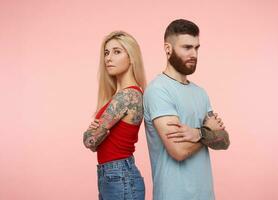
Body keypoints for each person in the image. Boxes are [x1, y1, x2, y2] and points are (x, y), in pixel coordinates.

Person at [143, 19, 230, 200]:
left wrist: (198, 133)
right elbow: (179, 151)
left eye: (197, 48)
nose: (194, 54)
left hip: (205, 194)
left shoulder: (201, 93)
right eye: (187, 47)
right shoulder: (158, 90)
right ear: (168, 49)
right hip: (174, 194)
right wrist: (206, 133)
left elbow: (223, 141)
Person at [83, 31, 146, 200]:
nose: (108, 58)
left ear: (131, 57)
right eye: (106, 52)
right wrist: (95, 137)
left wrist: (92, 133)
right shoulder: (120, 96)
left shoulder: (127, 96)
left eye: (117, 52)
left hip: (119, 175)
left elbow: (90, 140)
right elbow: (94, 143)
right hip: (113, 176)